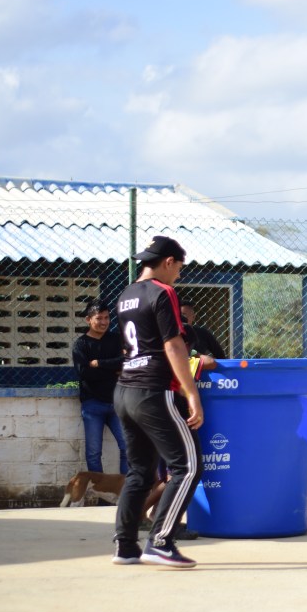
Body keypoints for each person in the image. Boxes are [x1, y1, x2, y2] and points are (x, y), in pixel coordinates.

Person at [111, 235, 204, 568]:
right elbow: (172, 345)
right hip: (153, 390)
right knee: (188, 467)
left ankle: (125, 546)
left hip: (125, 391)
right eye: (179, 268)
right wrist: (192, 394)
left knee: (139, 471)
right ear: (168, 262)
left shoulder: (125, 295)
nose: (178, 274)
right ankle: (161, 542)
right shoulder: (163, 292)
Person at [71, 299, 128, 476]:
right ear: (88, 320)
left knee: (128, 447)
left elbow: (126, 361)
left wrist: (99, 363)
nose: (104, 322)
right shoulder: (81, 344)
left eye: (106, 317)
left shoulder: (116, 339)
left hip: (117, 403)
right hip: (92, 404)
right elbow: (84, 373)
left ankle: (126, 488)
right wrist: (114, 370)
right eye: (99, 318)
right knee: (93, 453)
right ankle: (99, 489)